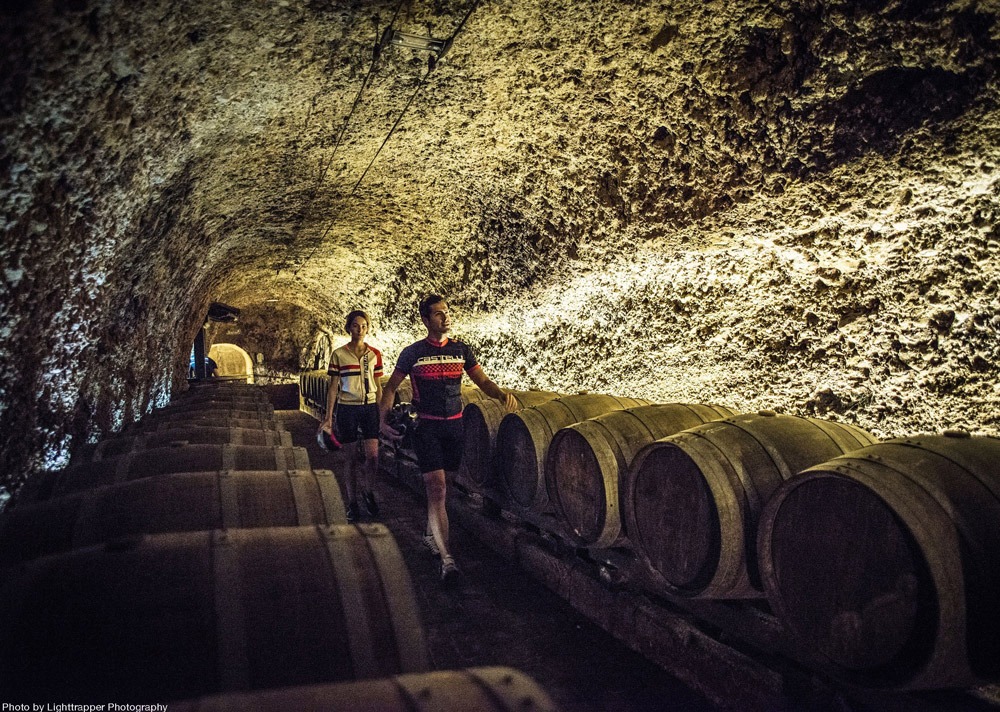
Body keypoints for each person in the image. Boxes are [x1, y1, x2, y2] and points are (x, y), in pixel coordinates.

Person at [379, 294, 516, 584]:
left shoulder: (461, 350)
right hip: (426, 428)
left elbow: (482, 381)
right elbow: (391, 388)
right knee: (437, 488)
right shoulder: (412, 353)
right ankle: (447, 559)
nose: (445, 317)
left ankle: (432, 535)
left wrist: (501, 394)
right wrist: (382, 420)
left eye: (446, 312)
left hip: (455, 428)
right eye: (439, 314)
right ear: (426, 320)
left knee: (447, 488)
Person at [319, 310, 384, 523]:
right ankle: (352, 502)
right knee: (351, 457)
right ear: (349, 328)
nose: (360, 330)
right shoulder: (339, 354)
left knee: (373, 456)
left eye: (364, 326)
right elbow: (333, 387)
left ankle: (368, 491)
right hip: (347, 408)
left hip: (369, 408)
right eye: (356, 326)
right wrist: (329, 417)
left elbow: (379, 386)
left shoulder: (374, 354)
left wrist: (382, 412)